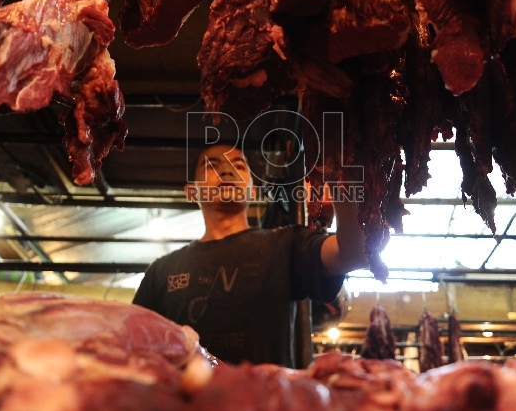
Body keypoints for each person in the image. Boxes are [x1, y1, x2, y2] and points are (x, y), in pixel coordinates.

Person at [132, 144, 368, 367]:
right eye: (212, 166)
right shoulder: (161, 272)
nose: (226, 170)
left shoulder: (287, 245)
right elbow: (134, 345)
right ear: (192, 192)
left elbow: (352, 254)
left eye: (238, 165)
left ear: (253, 190)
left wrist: (341, 173)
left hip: (267, 407)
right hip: (185, 408)